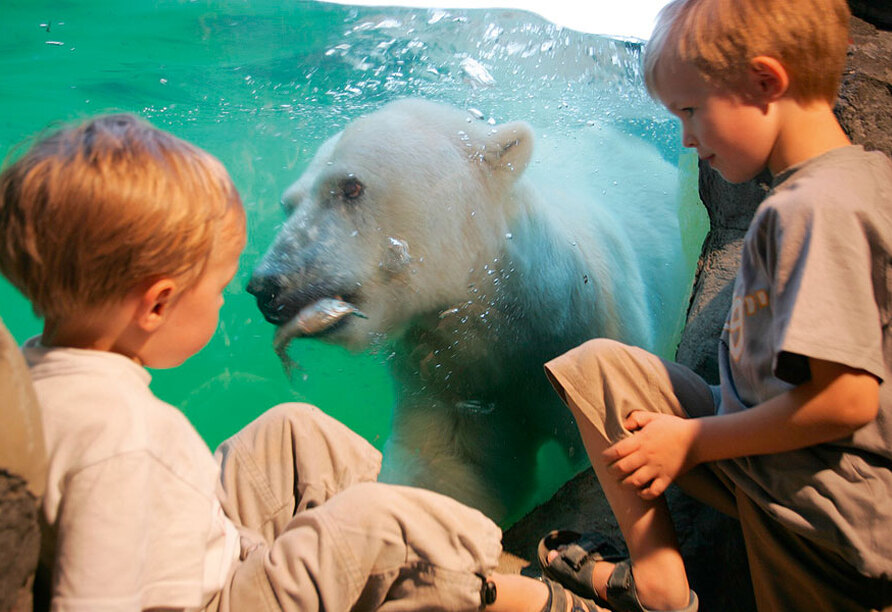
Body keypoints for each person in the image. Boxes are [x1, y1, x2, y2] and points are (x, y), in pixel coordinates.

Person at [0, 113, 614, 612]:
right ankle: (520, 594)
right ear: (157, 304)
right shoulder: (122, 443)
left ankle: (432, 538)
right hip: (216, 599)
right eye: (217, 287)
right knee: (378, 524)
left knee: (292, 435)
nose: (251, 288)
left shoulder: (36, 386)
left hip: (200, 554)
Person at [536, 0, 892, 610]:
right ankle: (660, 585)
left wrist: (692, 441)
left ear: (764, 82)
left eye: (691, 110)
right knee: (598, 370)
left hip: (824, 513)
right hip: (773, 460)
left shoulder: (813, 209)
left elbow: (847, 401)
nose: (687, 139)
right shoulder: (853, 183)